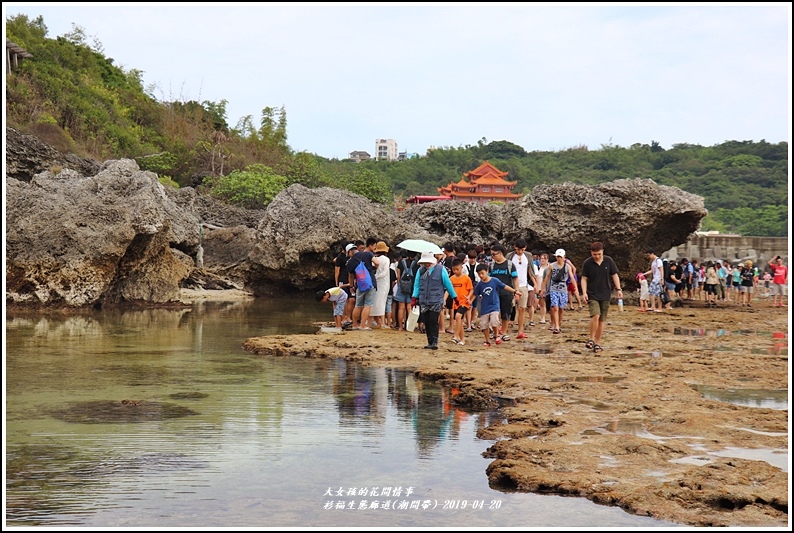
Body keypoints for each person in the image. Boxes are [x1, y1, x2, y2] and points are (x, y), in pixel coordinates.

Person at [579, 241, 622, 354]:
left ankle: (597, 343)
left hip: (606, 294)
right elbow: (584, 278)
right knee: (595, 315)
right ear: (591, 253)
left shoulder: (609, 261)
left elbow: (614, 275)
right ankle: (591, 339)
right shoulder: (587, 263)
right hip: (592, 294)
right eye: (594, 254)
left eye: (599, 254)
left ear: (602, 252)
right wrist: (584, 292)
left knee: (602, 320)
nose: (597, 256)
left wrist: (619, 289)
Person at [411, 251, 457, 350]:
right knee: (426, 321)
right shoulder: (420, 270)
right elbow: (417, 284)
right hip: (424, 299)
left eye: (428, 262)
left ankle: (434, 342)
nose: (426, 264)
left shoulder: (441, 269)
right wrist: (414, 297)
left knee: (433, 320)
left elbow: (447, 284)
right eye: (424, 262)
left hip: (436, 299)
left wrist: (454, 297)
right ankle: (430, 341)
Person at [473, 263, 520, 347]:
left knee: (494, 321)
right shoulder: (480, 284)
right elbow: (475, 294)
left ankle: (496, 335)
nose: (481, 275)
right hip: (484, 307)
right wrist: (469, 301)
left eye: (482, 273)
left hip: (494, 305)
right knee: (484, 325)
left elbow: (504, 286)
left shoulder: (494, 280)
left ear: (487, 271)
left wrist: (515, 291)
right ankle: (487, 341)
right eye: (479, 274)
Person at [346, 238, 381, 330]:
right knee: (368, 304)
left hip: (360, 285)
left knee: (358, 305)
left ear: (349, 253)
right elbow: (377, 262)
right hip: (370, 283)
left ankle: (354, 325)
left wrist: (351, 286)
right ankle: (362, 325)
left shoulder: (350, 262)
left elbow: (351, 276)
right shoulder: (367, 254)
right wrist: (375, 268)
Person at [538, 249, 573, 335]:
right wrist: (542, 289)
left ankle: (559, 324)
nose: (559, 258)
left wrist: (576, 288)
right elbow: (546, 278)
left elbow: (572, 277)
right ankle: (556, 326)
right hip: (553, 289)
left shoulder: (567, 267)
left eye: (560, 257)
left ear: (564, 257)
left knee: (561, 308)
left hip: (563, 290)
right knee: (555, 307)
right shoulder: (552, 266)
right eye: (557, 257)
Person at [488, 244, 518, 341]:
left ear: (500, 253)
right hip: (494, 293)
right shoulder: (492, 265)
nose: (492, 256)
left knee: (505, 313)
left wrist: (516, 291)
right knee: (494, 314)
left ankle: (504, 332)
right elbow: (487, 278)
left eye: (494, 254)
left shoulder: (509, 265)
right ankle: (495, 332)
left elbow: (515, 278)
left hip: (506, 292)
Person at [507, 238, 535, 340]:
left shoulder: (528, 256)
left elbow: (530, 270)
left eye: (522, 250)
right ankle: (504, 328)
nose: (520, 252)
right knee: (508, 307)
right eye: (519, 250)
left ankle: (520, 331)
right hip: (511, 285)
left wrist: (535, 283)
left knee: (522, 308)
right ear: (515, 248)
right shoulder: (510, 256)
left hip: (524, 285)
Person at [449, 259, 474, 345]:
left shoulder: (466, 278)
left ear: (461, 268)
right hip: (456, 302)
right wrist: (444, 300)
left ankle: (456, 336)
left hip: (464, 302)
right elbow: (448, 290)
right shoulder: (451, 279)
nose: (455, 271)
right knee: (459, 320)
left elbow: (471, 289)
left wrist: (469, 297)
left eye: (457, 269)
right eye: (454, 269)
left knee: (458, 316)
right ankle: (462, 339)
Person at [369, 241, 391, 328]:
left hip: (376, 283)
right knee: (382, 302)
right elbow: (385, 272)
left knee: (375, 301)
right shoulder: (386, 259)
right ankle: (382, 323)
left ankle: (375, 320)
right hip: (384, 283)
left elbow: (373, 270)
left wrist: (374, 277)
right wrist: (377, 277)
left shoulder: (374, 258)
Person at [335, 243, 357, 325]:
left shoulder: (353, 258)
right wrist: (337, 283)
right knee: (344, 299)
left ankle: (348, 317)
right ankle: (344, 317)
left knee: (352, 299)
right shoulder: (340, 257)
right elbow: (337, 270)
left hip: (351, 280)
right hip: (343, 280)